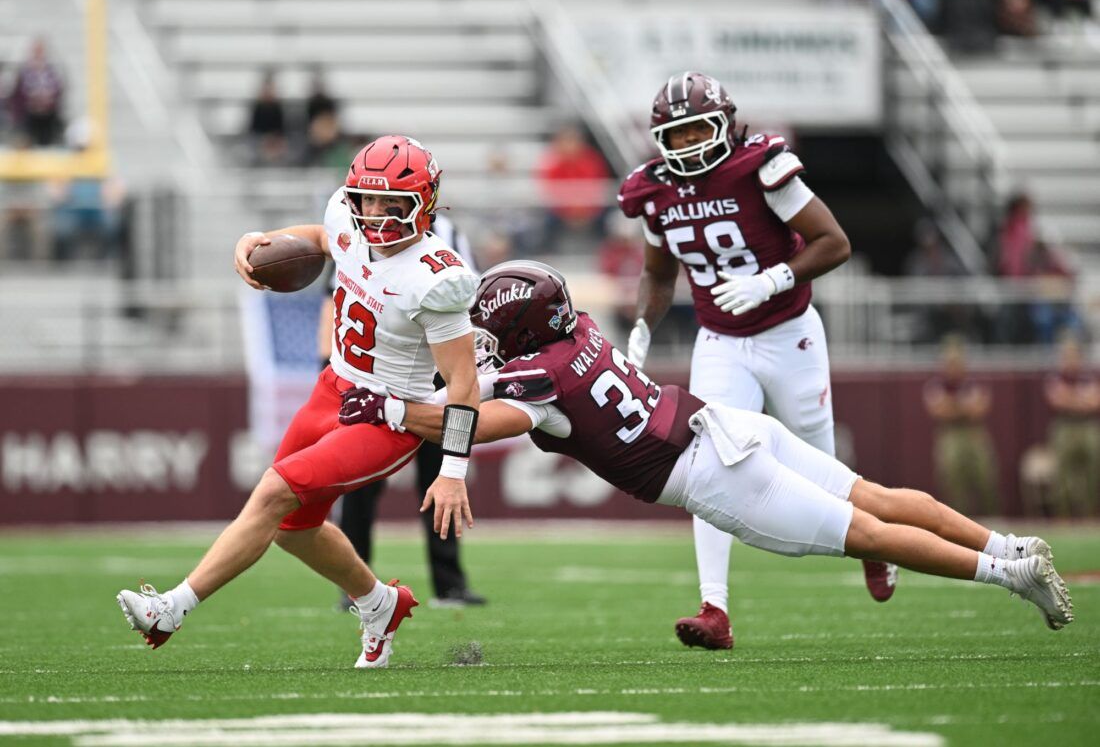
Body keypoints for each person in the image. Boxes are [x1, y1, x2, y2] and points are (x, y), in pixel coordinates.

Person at [339, 261, 1074, 633]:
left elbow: (467, 419)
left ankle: (1008, 575)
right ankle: (1009, 543)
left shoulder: (540, 384)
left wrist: (389, 405)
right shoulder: (582, 331)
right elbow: (498, 377)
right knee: (877, 496)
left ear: (526, 332)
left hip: (714, 473)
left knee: (869, 532)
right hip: (727, 423)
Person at [116, 135, 482, 669]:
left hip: (385, 416)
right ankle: (379, 603)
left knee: (272, 493)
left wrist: (451, 471)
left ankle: (172, 607)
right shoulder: (346, 216)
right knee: (294, 529)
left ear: (424, 203)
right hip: (332, 388)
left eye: (392, 203)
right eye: (368, 199)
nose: (375, 214)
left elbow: (464, 385)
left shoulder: (439, 278)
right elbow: (318, 237)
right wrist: (260, 238)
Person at [618, 71, 895, 653]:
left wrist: (773, 279)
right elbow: (657, 273)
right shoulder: (654, 191)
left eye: (699, 128)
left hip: (788, 330)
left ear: (723, 124)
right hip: (719, 339)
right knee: (706, 463)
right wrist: (643, 324)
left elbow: (834, 241)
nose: (690, 143)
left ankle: (875, 544)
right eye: (678, 133)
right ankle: (713, 606)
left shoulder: (760, 168)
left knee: (821, 459)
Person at [321, 213, 487, 608]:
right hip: (375, 375)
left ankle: (449, 582)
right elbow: (336, 297)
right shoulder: (361, 232)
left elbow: (470, 308)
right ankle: (355, 583)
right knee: (359, 485)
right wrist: (327, 363)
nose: (384, 210)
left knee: (442, 477)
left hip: (434, 374)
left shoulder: (448, 240)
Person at [922, 336, 999, 515]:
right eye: (949, 362)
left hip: (974, 433)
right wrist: (963, 405)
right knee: (953, 480)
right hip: (950, 434)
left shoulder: (974, 383)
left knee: (985, 477)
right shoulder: (936, 385)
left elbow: (979, 410)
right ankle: (959, 521)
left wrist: (953, 405)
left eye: (957, 362)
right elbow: (939, 411)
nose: (953, 367)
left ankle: (992, 520)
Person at [1044, 334, 1100, 516]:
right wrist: (1081, 398)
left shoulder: (1089, 377)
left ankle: (1091, 516)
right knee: (1063, 475)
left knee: (1093, 472)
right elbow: (1057, 400)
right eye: (1066, 356)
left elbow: (1095, 402)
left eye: (1073, 355)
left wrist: (1070, 397)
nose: (1070, 360)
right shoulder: (1055, 378)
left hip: (1087, 426)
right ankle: (1064, 516)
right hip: (1064, 427)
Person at [8, 37, 64, 147]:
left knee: (48, 131)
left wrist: (47, 98)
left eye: (40, 50)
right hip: (28, 114)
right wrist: (33, 99)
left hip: (47, 114)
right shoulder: (24, 71)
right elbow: (18, 94)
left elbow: (57, 89)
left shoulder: (50, 71)